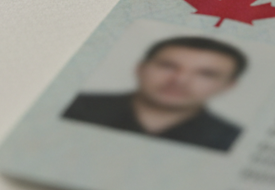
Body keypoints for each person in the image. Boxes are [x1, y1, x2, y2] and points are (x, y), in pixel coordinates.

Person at [62, 35, 246, 152]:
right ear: (140, 68)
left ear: (229, 85)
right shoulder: (72, 105)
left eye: (206, 74)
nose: (179, 80)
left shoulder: (233, 140)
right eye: (167, 66)